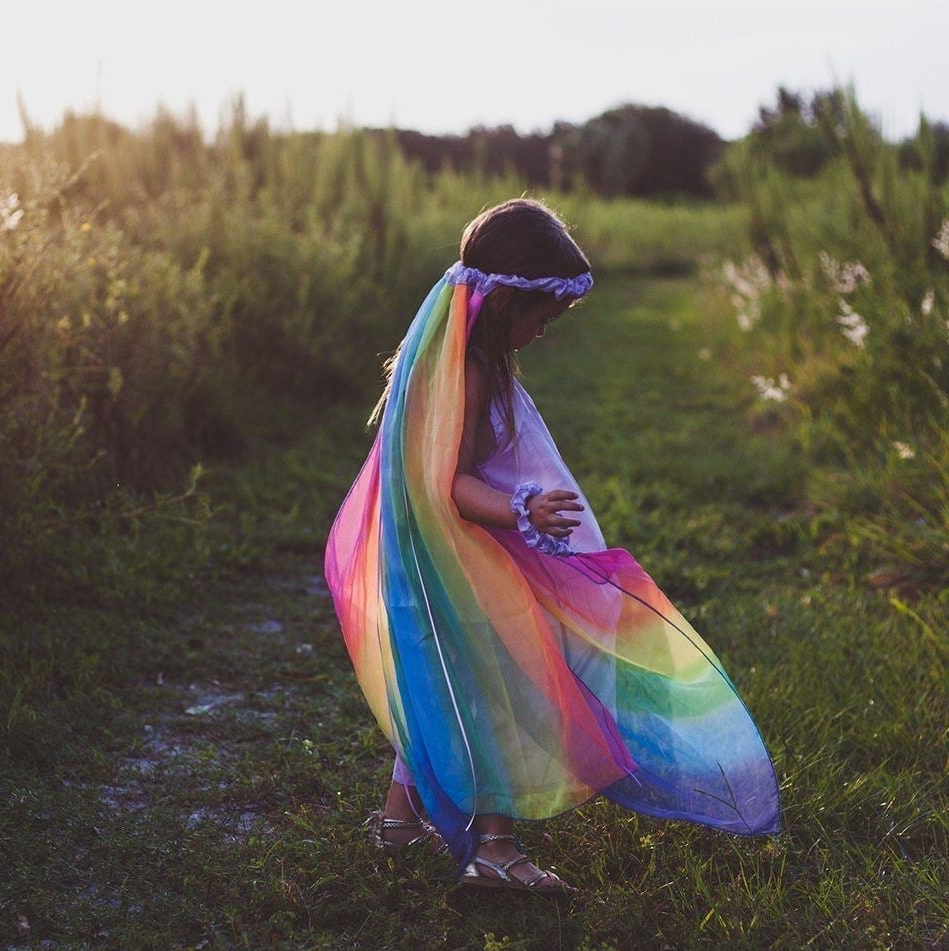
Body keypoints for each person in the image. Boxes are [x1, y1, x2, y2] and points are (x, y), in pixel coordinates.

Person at [324, 197, 781, 896]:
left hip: (445, 558)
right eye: (542, 319)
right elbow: (449, 484)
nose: (544, 333)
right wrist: (520, 507)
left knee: (446, 687)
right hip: (466, 556)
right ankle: (496, 850)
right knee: (499, 691)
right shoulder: (470, 375)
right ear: (506, 302)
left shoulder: (466, 361)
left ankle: (398, 824)